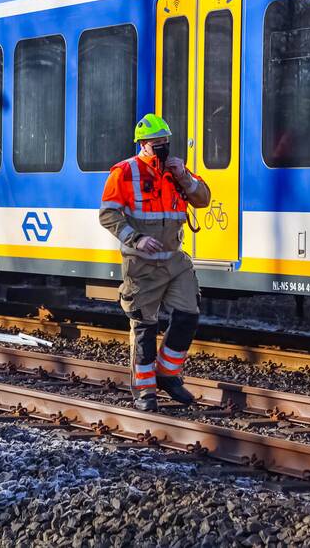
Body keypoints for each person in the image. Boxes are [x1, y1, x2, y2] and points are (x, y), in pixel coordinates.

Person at [98, 113, 211, 412]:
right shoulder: (124, 172)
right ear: (143, 145)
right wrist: (136, 239)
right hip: (142, 265)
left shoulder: (176, 171)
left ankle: (168, 375)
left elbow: (203, 199)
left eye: (165, 142)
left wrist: (185, 177)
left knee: (188, 314)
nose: (162, 147)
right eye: (156, 143)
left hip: (175, 261)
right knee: (145, 328)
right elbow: (108, 215)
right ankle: (144, 391)